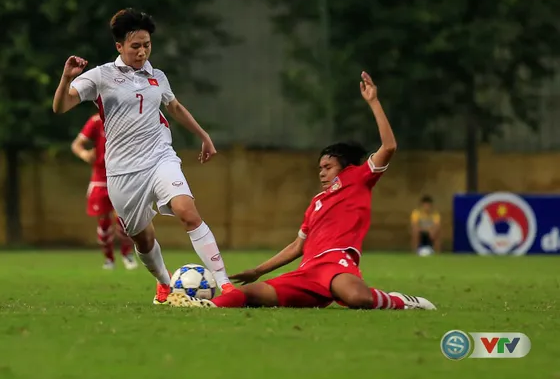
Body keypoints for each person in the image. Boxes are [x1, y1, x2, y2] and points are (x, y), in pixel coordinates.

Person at [166, 72, 436, 310]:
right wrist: (258, 270)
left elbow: (388, 147)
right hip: (307, 273)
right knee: (247, 294)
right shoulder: (316, 203)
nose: (321, 171)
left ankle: (401, 301)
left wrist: (373, 102)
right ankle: (204, 306)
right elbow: (298, 246)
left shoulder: (358, 177)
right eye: (319, 167)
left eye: (328, 166)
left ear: (344, 168)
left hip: (336, 263)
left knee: (358, 299)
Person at [52, 8, 234, 304]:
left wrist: (204, 135)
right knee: (143, 238)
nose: (142, 51)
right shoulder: (101, 76)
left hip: (160, 157)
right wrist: (65, 77)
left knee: (188, 211)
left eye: (147, 45)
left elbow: (174, 108)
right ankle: (165, 284)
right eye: (135, 46)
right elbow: (61, 106)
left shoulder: (157, 76)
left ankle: (226, 287)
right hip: (122, 172)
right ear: (119, 47)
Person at [71, 113, 138, 270]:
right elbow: (77, 144)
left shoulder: (129, 118)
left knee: (124, 221)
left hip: (123, 177)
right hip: (100, 179)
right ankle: (109, 259)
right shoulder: (96, 121)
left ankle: (127, 253)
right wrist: (84, 154)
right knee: (104, 223)